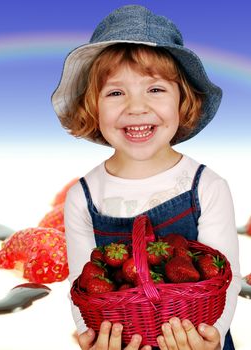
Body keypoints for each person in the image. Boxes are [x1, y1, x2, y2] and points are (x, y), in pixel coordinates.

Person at [52, 5, 241, 350]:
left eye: (155, 90)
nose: (136, 107)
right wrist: (91, 336)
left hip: (196, 339)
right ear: (92, 107)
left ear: (183, 101)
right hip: (125, 343)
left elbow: (224, 281)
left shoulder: (207, 186)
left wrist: (211, 337)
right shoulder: (84, 196)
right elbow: (83, 286)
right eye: (115, 93)